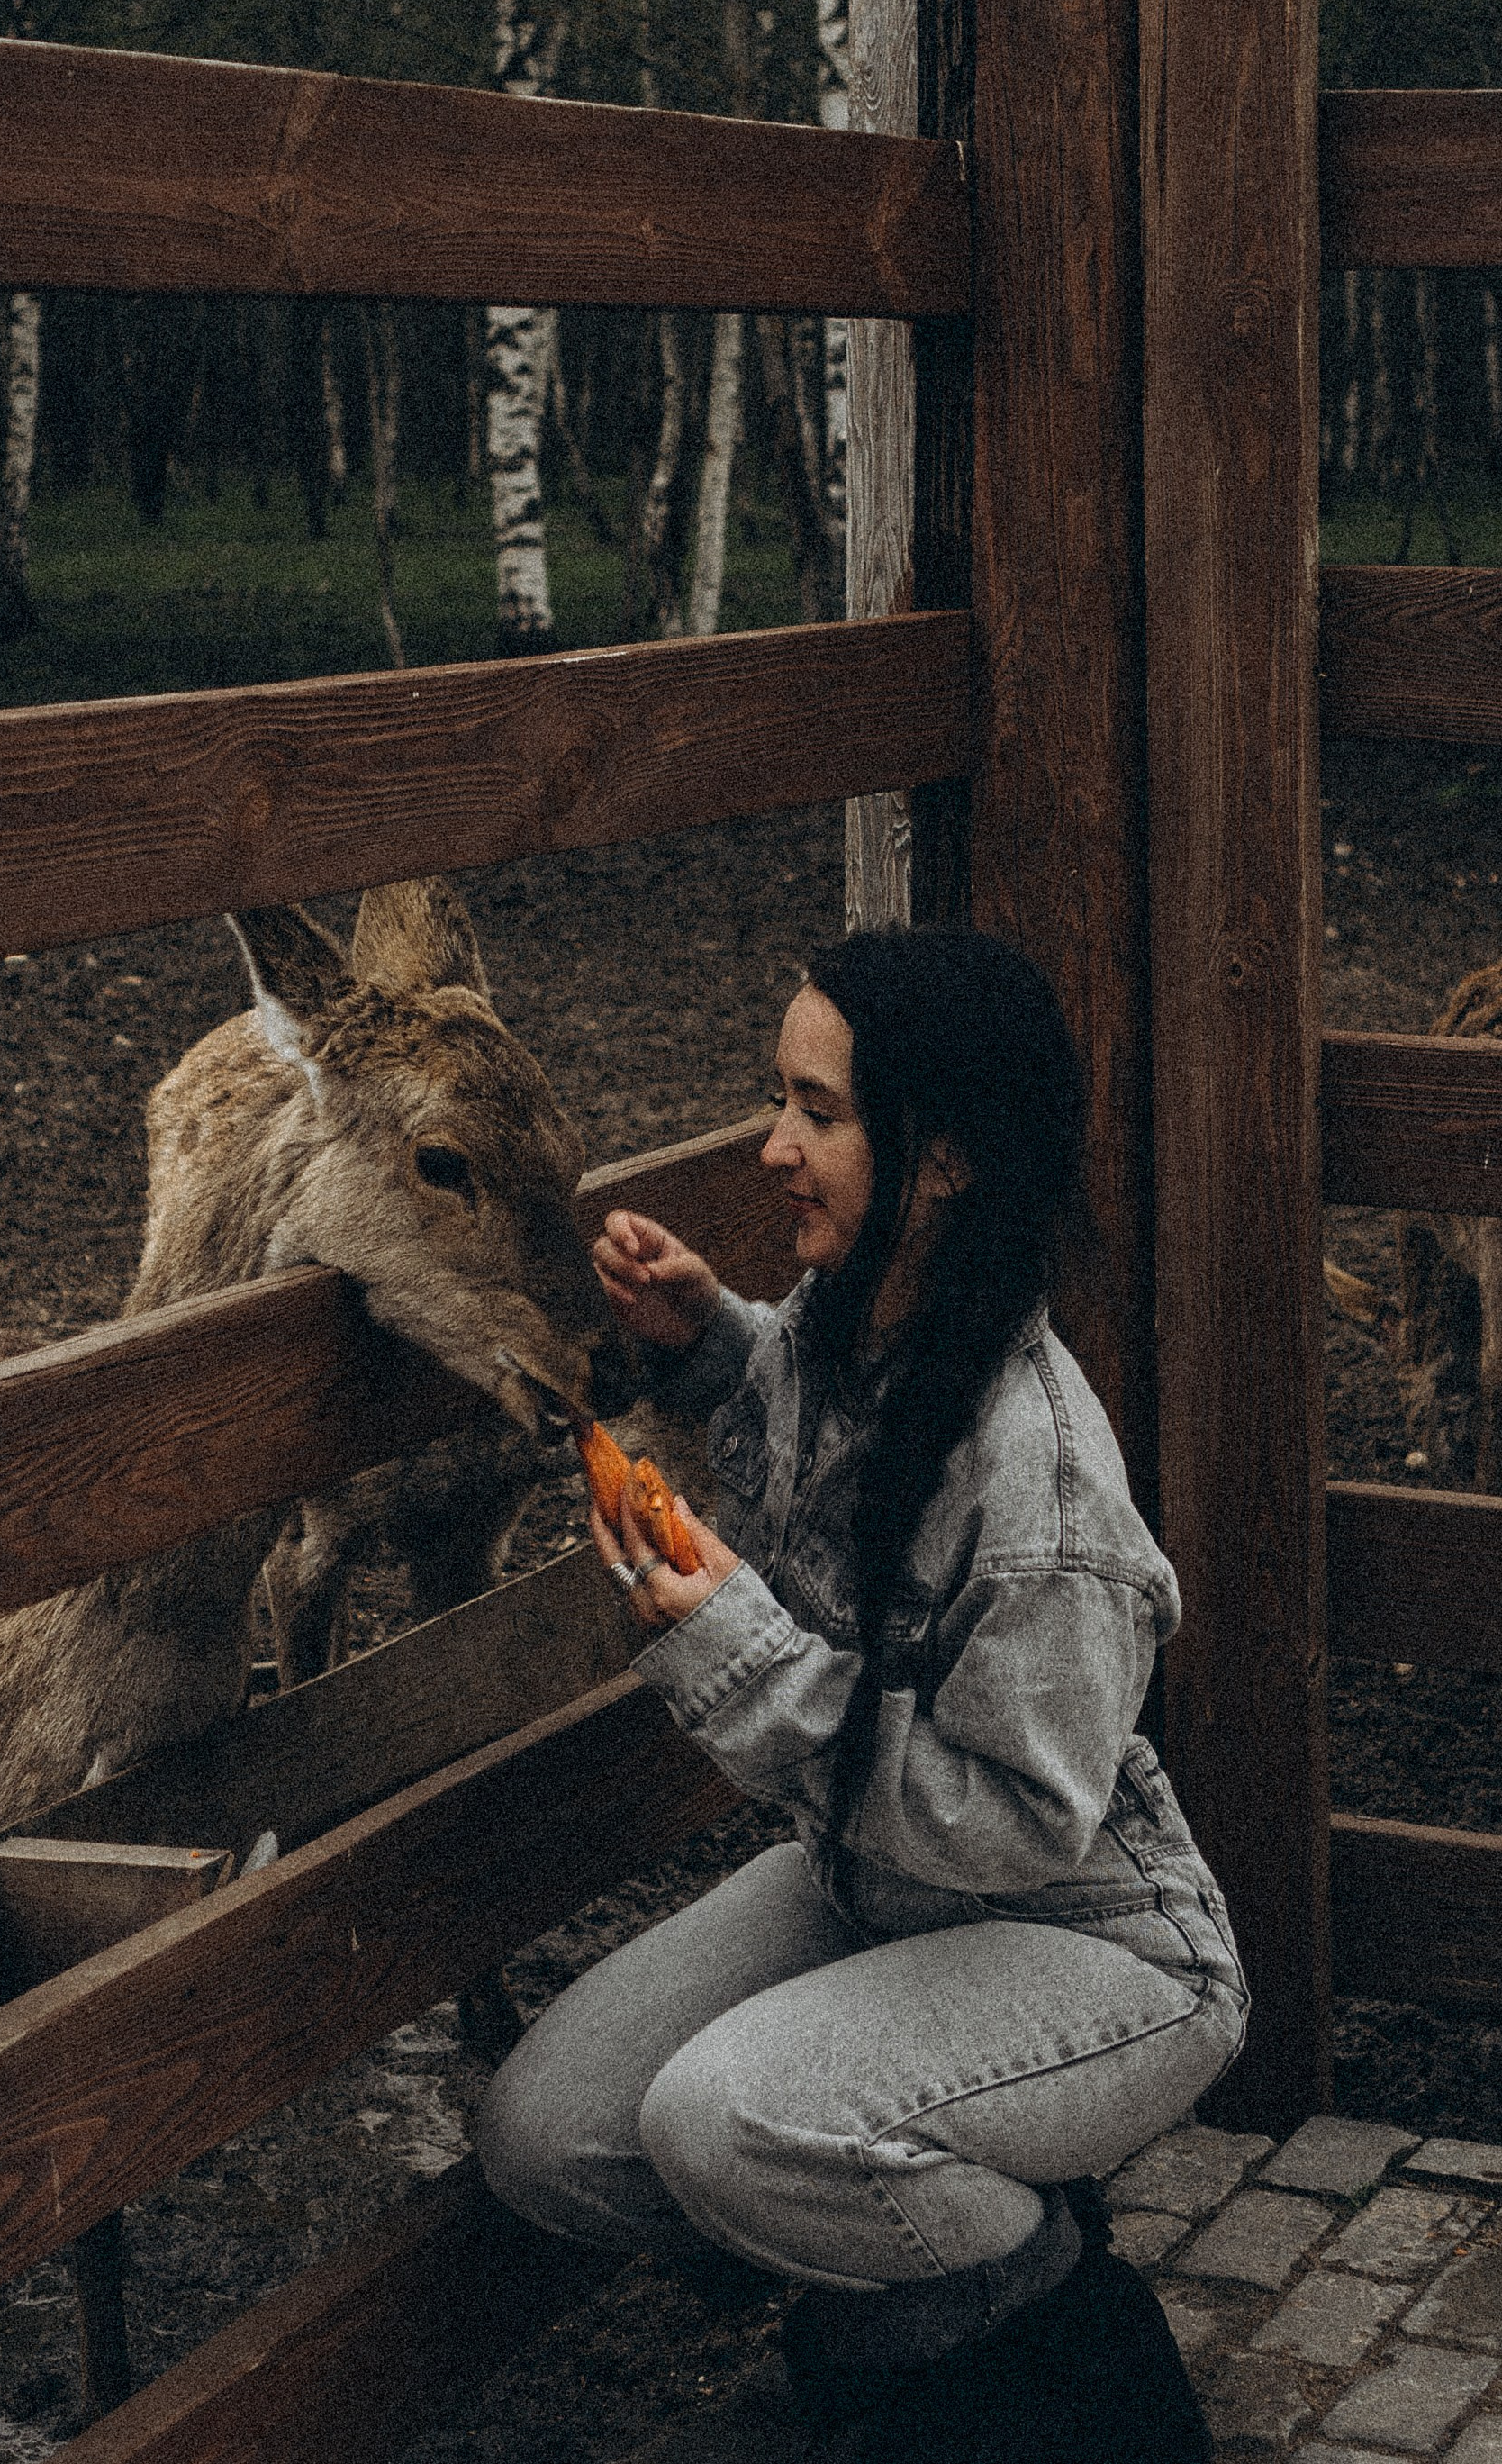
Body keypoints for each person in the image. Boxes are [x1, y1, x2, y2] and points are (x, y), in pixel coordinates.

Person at [476, 928, 1244, 2461]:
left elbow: (1014, 1825)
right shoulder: (863, 1324)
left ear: (941, 1157)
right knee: (550, 2135)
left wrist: (745, 1657)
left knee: (725, 2120)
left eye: (816, 1111)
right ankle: (922, 2221)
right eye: (781, 1099)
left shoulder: (1047, 1495)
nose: (770, 1146)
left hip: (1085, 1939)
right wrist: (711, 1350)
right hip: (876, 1886)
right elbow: (846, 1445)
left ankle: (1005, 2313)